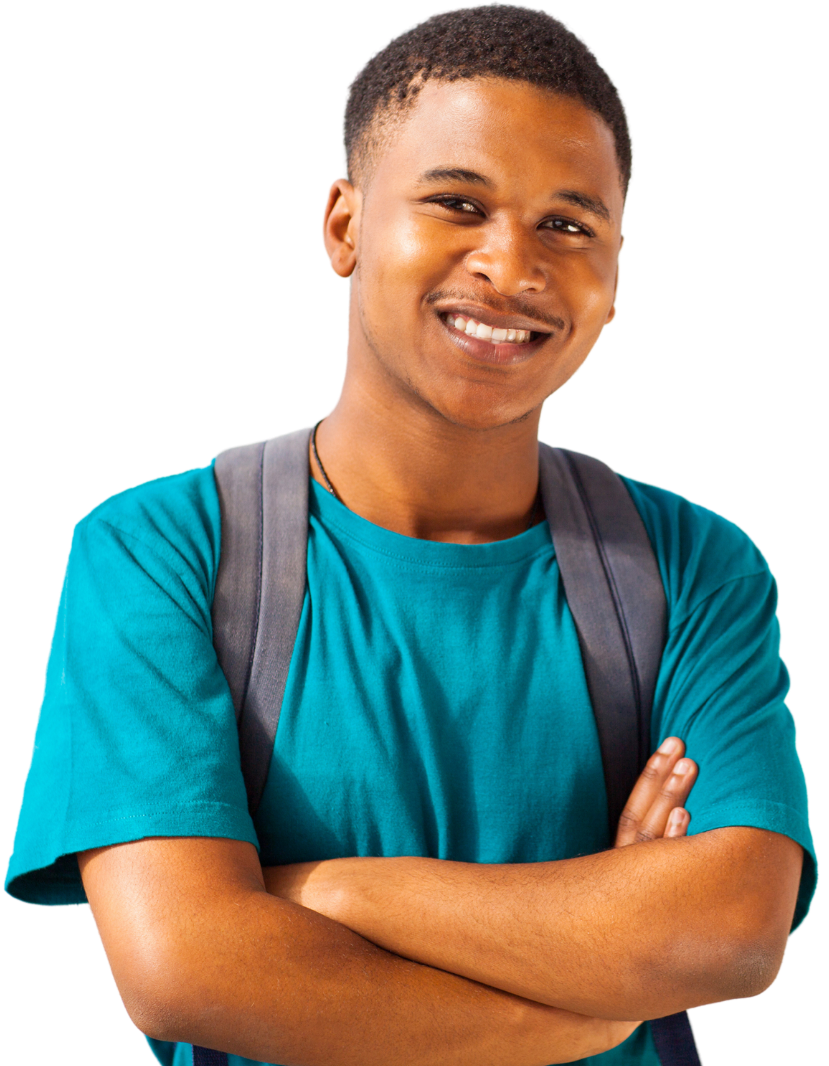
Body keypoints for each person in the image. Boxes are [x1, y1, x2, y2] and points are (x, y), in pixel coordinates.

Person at [5, 5, 815, 1065]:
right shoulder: (162, 550)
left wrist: (327, 892)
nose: (510, 265)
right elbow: (184, 971)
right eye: (457, 203)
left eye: (568, 226)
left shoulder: (694, 567)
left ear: (617, 278)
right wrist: (588, 1002)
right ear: (343, 225)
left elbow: (729, 930)